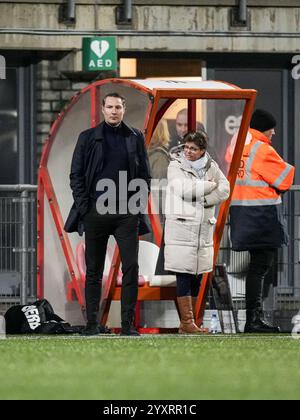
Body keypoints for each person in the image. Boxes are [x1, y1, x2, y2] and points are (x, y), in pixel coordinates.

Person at [64, 92, 151, 336]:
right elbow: (76, 175)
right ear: (103, 110)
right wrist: (85, 208)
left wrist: (137, 205)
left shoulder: (135, 137)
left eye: (118, 107)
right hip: (96, 211)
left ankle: (128, 326)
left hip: (126, 213)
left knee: (131, 267)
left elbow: (145, 175)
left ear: (124, 109)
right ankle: (92, 325)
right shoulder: (88, 137)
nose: (114, 111)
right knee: (93, 270)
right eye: (110, 107)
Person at [229, 109, 295, 333]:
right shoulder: (262, 149)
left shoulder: (236, 145)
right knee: (260, 267)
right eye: (271, 128)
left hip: (241, 214)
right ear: (262, 129)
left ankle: (253, 318)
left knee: (256, 268)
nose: (273, 132)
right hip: (262, 216)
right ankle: (253, 319)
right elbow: (285, 179)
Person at [164, 131, 230, 333]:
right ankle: (187, 321)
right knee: (183, 274)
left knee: (197, 276)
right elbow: (182, 189)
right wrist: (210, 185)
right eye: (186, 147)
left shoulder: (212, 166)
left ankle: (190, 323)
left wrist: (205, 198)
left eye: (193, 148)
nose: (188, 151)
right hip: (182, 229)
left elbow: (225, 189)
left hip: (203, 232)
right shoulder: (175, 165)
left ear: (202, 150)